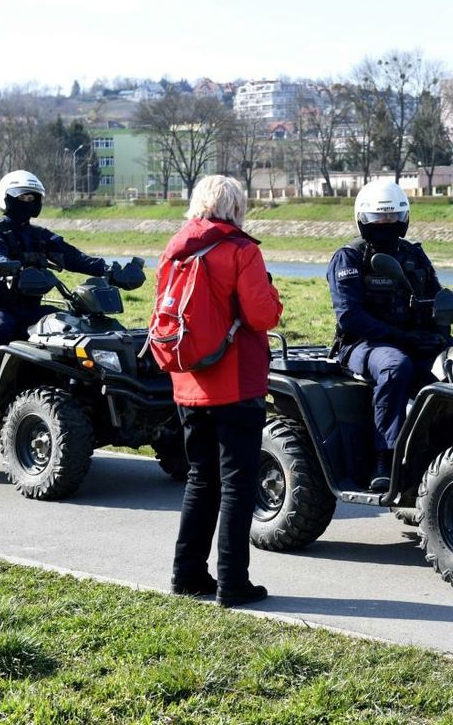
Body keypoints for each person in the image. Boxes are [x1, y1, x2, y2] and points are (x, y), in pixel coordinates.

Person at [165, 175, 282, 607]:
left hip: (187, 379)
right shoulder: (241, 250)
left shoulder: (176, 248)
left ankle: (187, 575)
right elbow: (261, 315)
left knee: (200, 479)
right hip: (235, 381)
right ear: (236, 207)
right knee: (238, 483)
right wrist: (274, 297)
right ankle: (234, 583)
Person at [326, 179, 447, 493]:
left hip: (411, 338)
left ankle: (447, 449)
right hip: (362, 344)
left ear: (403, 219)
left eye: (392, 217)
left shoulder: (414, 256)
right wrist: (399, 336)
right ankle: (385, 457)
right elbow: (349, 316)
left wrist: (440, 328)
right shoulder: (350, 257)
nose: (386, 223)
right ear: (363, 219)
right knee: (395, 367)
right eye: (379, 218)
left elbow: (437, 298)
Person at [0, 170, 138, 380]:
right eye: (23, 197)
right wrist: (6, 267)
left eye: (32, 198)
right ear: (7, 198)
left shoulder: (40, 235)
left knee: (71, 326)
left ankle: (71, 386)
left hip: (32, 309)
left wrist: (110, 271)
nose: (27, 202)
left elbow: (74, 257)